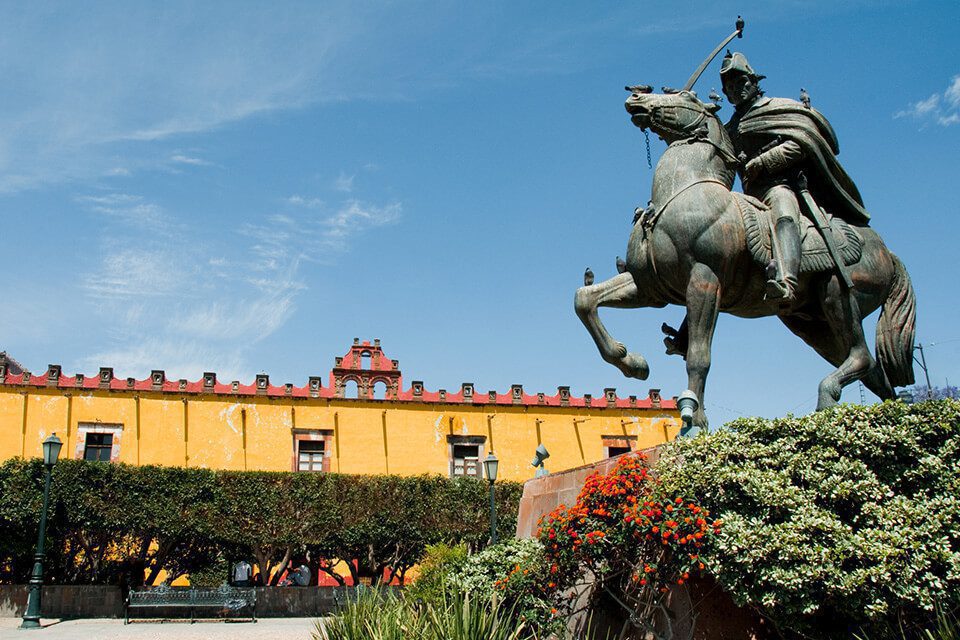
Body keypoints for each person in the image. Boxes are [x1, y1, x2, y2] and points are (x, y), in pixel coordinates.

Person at [720, 51, 870, 306]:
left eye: (740, 83)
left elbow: (803, 143)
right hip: (748, 196)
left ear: (754, 81)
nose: (736, 90)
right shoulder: (730, 128)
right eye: (730, 87)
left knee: (783, 211)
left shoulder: (778, 108)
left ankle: (786, 280)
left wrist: (763, 161)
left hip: (780, 185)